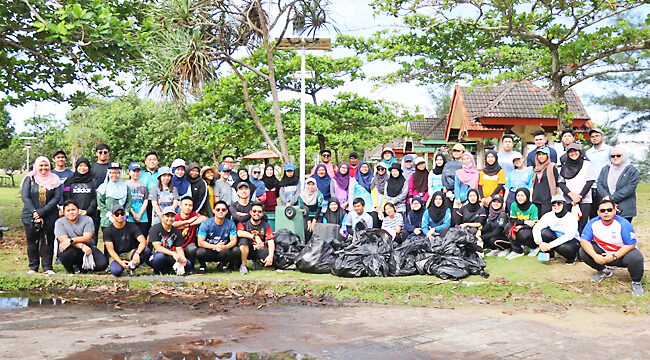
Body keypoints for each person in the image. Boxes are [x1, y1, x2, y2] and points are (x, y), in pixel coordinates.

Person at [579, 199, 644, 296]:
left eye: (609, 210)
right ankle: (603, 271)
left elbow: (631, 245)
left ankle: (636, 282)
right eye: (602, 210)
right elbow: (584, 241)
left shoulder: (624, 224)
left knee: (636, 257)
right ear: (598, 212)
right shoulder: (593, 223)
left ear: (614, 211)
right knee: (583, 251)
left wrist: (613, 256)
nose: (606, 212)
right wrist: (595, 256)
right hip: (604, 254)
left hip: (622, 255)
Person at [21, 157, 63, 274]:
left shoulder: (55, 179)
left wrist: (42, 212)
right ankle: (33, 267)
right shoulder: (29, 178)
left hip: (50, 215)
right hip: (30, 215)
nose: (43, 168)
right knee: (32, 241)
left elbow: (56, 198)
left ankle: (47, 267)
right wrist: (35, 212)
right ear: (36, 166)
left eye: (46, 165)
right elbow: (25, 197)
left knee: (48, 241)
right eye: (41, 165)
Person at [55, 200, 108, 274]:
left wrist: (71, 240)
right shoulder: (59, 222)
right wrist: (82, 246)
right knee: (65, 253)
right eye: (68, 210)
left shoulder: (87, 219)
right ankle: (70, 270)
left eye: (73, 210)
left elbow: (87, 238)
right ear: (64, 212)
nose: (71, 212)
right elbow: (64, 241)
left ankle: (83, 267)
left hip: (88, 246)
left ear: (78, 210)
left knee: (102, 264)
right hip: (70, 248)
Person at [103, 204, 150, 277]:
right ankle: (122, 266)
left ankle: (132, 265)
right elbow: (110, 250)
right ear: (112, 215)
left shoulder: (132, 226)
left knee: (146, 250)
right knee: (116, 271)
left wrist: (137, 253)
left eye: (122, 214)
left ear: (125, 214)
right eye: (117, 214)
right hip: (116, 255)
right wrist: (120, 262)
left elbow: (143, 241)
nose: (120, 216)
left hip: (130, 253)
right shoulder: (107, 231)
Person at [532, 193, 580, 265]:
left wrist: (550, 245)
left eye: (559, 203)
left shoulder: (571, 217)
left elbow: (569, 236)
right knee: (544, 232)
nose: (556, 206)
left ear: (564, 204)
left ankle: (572, 257)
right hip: (556, 238)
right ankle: (549, 254)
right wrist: (540, 243)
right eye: (553, 204)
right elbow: (537, 227)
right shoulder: (548, 215)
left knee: (565, 248)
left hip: (571, 241)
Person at [596, 146, 640, 223]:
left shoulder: (632, 170)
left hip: (625, 207)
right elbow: (599, 184)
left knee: (623, 232)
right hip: (607, 208)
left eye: (618, 155)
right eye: (612, 156)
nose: (615, 158)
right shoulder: (605, 169)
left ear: (624, 156)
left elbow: (630, 187)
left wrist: (611, 199)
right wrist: (608, 201)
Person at [558, 143, 595, 233]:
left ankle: (582, 245)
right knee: (568, 225)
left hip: (584, 199)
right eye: (570, 152)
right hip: (569, 200)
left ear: (580, 152)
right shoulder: (564, 166)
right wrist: (571, 196)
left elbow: (590, 181)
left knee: (582, 225)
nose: (573, 153)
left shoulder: (587, 164)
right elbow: (561, 183)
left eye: (575, 151)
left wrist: (579, 197)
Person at [196, 200, 239, 273]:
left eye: (223, 210)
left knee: (236, 250)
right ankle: (202, 266)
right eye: (218, 209)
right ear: (213, 211)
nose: (220, 211)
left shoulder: (230, 224)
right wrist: (215, 246)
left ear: (227, 211)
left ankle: (223, 265)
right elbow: (200, 242)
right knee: (200, 251)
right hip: (209, 250)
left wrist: (224, 247)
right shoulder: (206, 224)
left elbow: (234, 241)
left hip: (223, 250)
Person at [149, 206, 192, 275]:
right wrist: (174, 254)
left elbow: (179, 248)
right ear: (162, 217)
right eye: (167, 216)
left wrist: (182, 258)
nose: (170, 218)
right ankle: (156, 271)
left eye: (172, 216)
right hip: (154, 255)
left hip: (169, 255)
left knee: (188, 264)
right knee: (160, 257)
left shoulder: (176, 231)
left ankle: (169, 270)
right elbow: (158, 247)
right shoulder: (155, 229)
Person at [236, 202, 276, 274]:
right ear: (250, 212)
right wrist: (255, 237)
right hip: (246, 249)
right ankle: (243, 265)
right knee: (243, 240)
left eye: (259, 212)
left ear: (263, 213)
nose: (256, 213)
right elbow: (239, 233)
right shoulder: (244, 223)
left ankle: (258, 262)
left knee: (274, 256)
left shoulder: (266, 225)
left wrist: (270, 256)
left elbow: (270, 240)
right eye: (254, 211)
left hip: (259, 249)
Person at [173, 196, 208, 271]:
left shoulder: (194, 215)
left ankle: (191, 265)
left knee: (192, 248)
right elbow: (171, 224)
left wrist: (190, 224)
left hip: (189, 246)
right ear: (180, 206)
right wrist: (187, 222)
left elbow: (204, 218)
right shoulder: (176, 216)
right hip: (175, 247)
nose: (188, 207)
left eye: (190, 205)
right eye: (185, 205)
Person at [97, 162, 132, 231]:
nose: (114, 175)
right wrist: (109, 215)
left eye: (117, 173)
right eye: (112, 173)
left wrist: (125, 213)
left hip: (121, 218)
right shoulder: (103, 187)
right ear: (108, 174)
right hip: (107, 220)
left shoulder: (125, 187)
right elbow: (100, 202)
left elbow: (129, 201)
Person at [505, 188, 539, 259]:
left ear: (527, 196)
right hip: (520, 225)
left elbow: (534, 224)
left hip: (529, 229)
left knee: (523, 234)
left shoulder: (533, 207)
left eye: (522, 196)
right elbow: (512, 219)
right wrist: (524, 222)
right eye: (518, 195)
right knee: (508, 227)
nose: (520, 198)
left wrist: (522, 226)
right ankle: (517, 250)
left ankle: (534, 247)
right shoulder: (514, 205)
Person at [585, 128, 612, 218]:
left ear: (602, 137)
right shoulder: (588, 153)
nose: (594, 138)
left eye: (597, 136)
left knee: (606, 212)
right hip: (591, 187)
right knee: (593, 213)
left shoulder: (609, 150)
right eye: (592, 136)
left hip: (605, 186)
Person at [531, 147, 559, 216]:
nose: (541, 156)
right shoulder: (536, 169)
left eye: (543, 154)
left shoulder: (552, 168)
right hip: (536, 199)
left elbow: (557, 183)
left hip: (547, 200)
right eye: (539, 155)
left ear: (547, 155)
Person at [124, 162, 149, 236]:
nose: (136, 173)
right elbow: (126, 201)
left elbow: (145, 200)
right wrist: (134, 214)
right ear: (129, 172)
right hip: (130, 217)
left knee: (142, 238)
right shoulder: (125, 185)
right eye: (134, 171)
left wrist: (140, 214)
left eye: (138, 171)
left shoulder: (143, 185)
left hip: (143, 217)